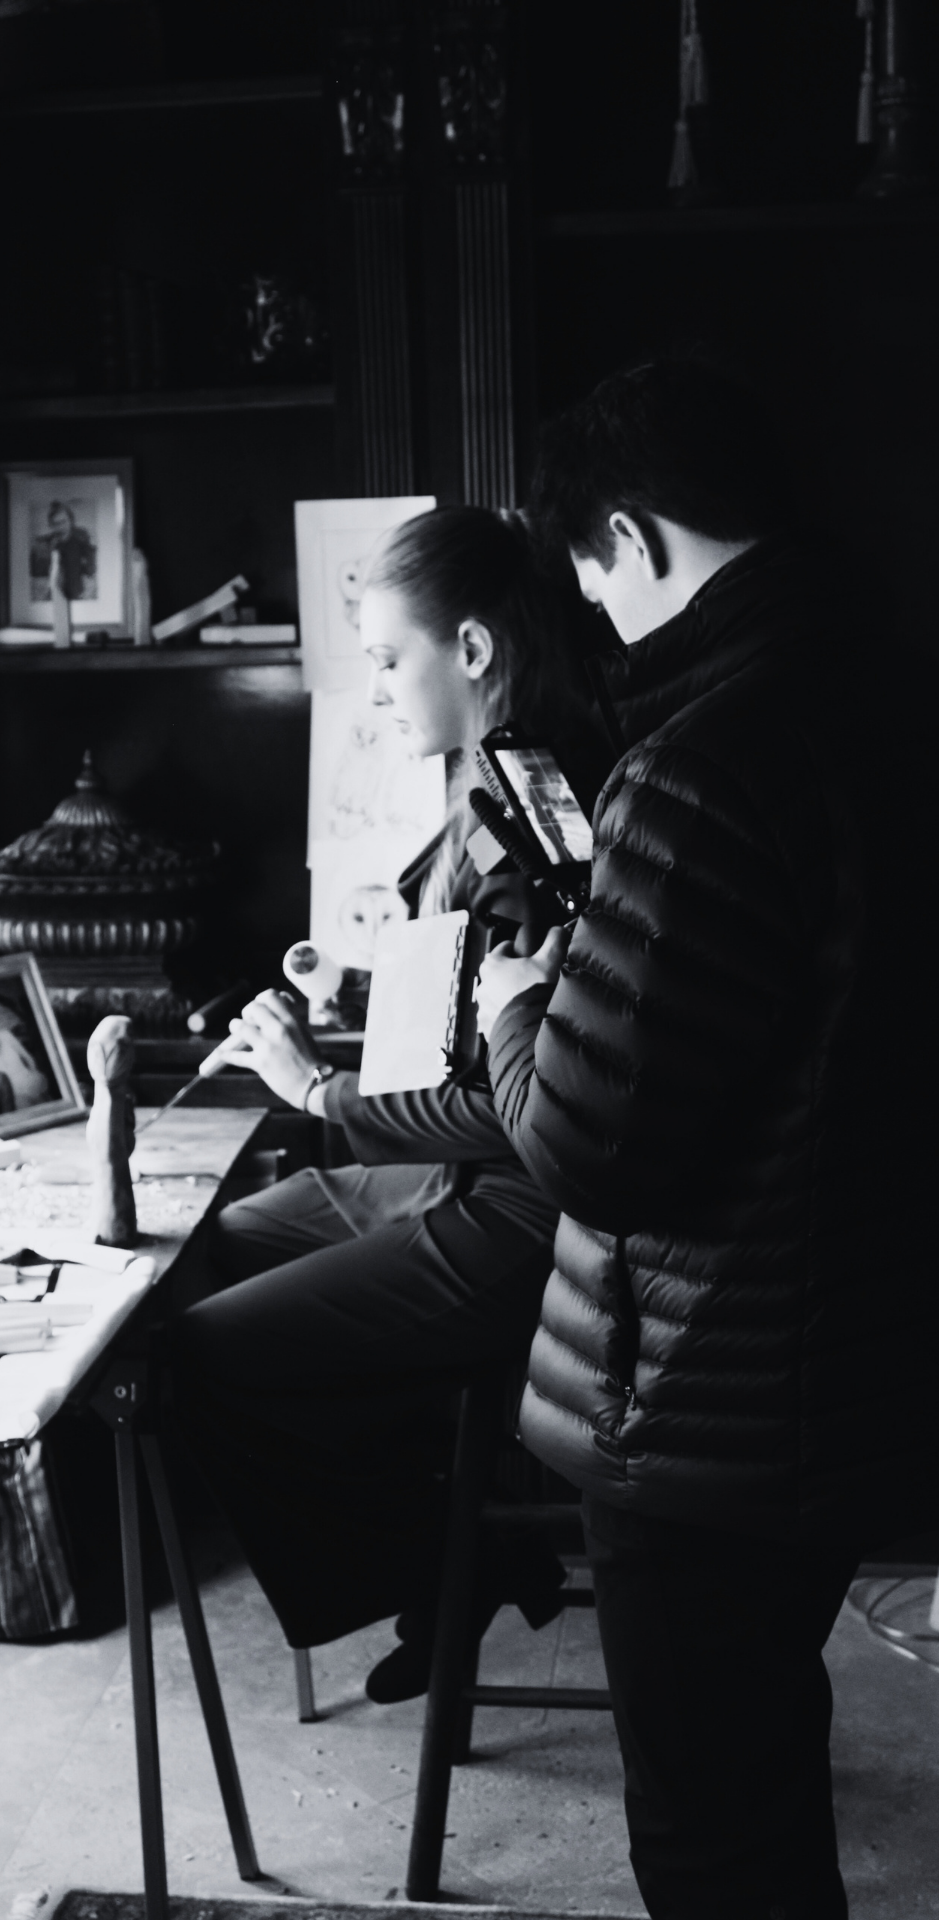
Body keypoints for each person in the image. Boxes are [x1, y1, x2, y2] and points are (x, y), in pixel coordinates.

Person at [475, 360, 937, 1919]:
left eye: (590, 581)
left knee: (713, 1831)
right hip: (864, 1349)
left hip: (708, 1399)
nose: (596, 623)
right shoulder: (888, 687)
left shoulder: (703, 761)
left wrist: (522, 1003)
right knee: (759, 1764)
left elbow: (595, 1148)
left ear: (628, 535)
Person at [174, 506, 601, 1701]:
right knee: (198, 1258)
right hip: (426, 1174)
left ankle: (447, 1560)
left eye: (383, 658)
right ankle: (453, 1551)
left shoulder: (536, 815)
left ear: (468, 648)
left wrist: (320, 1089)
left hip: (511, 1212)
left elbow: (535, 1104)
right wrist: (342, 1009)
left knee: (201, 1355)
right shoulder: (485, 772)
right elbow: (460, 1018)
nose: (374, 692)